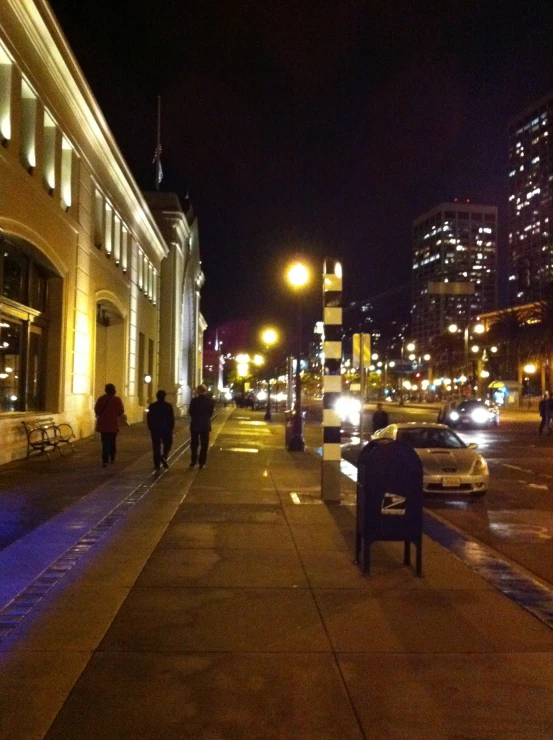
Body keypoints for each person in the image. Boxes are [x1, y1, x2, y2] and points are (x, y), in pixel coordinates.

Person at [94, 383, 125, 468]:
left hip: (103, 424)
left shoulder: (101, 399)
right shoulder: (117, 400)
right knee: (112, 441)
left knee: (104, 442)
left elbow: (96, 410)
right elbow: (121, 411)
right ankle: (112, 458)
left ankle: (105, 460)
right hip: (113, 424)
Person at [188, 384, 215, 469]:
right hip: (205, 425)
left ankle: (193, 461)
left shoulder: (194, 401)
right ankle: (202, 462)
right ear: (205, 391)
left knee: (194, 444)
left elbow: (190, 412)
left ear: (198, 391)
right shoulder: (210, 401)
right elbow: (210, 413)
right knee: (204, 445)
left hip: (195, 424)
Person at [147, 389, 175, 470]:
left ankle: (157, 464)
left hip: (155, 428)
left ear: (157, 397)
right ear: (165, 396)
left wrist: (150, 427)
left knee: (156, 446)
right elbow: (171, 418)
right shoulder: (168, 406)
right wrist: (171, 427)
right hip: (166, 428)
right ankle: (163, 457)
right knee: (168, 444)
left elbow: (149, 418)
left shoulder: (152, 406)